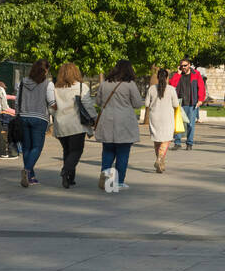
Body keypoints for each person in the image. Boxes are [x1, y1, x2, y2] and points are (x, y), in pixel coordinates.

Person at [94, 60, 144, 191]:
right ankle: (119, 181)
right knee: (123, 153)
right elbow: (138, 103)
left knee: (107, 151)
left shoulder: (104, 84)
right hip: (124, 122)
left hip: (107, 120)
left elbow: (98, 101)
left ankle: (106, 180)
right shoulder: (130, 85)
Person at [15, 59, 57, 187]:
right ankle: (27, 170)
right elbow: (51, 103)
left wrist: (18, 114)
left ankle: (30, 176)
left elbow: (17, 101)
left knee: (27, 147)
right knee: (37, 147)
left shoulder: (22, 82)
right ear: (45, 71)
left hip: (23, 116)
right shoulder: (48, 84)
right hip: (39, 118)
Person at [53, 63, 93, 188]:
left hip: (60, 124)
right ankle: (66, 171)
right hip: (76, 124)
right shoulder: (81, 87)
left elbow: (51, 107)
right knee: (76, 150)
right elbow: (88, 105)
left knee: (67, 151)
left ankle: (70, 178)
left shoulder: (55, 88)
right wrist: (94, 118)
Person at [145, 68, 181, 172]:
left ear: (157, 77)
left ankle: (161, 163)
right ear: (166, 77)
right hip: (167, 118)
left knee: (157, 140)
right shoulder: (171, 89)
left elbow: (147, 104)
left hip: (154, 117)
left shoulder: (151, 89)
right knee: (166, 140)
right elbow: (176, 104)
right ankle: (160, 158)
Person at [168, 59, 206, 150]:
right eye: (182, 66)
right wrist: (178, 74)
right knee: (178, 123)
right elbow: (172, 85)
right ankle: (177, 143)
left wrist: (201, 99)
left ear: (189, 65)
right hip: (179, 102)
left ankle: (189, 143)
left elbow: (201, 87)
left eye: (185, 65)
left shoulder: (196, 74)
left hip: (191, 102)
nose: (183, 67)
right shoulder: (177, 74)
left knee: (190, 124)